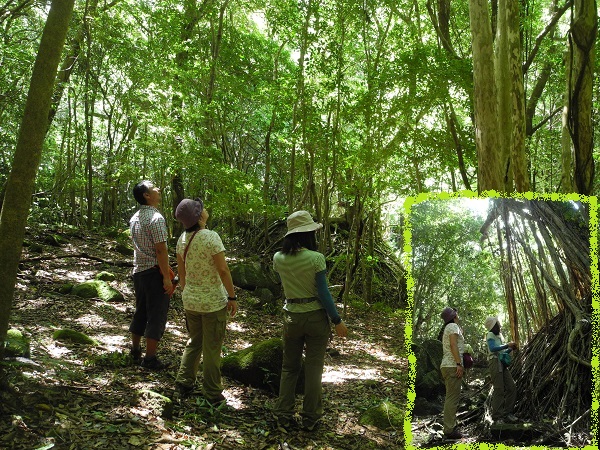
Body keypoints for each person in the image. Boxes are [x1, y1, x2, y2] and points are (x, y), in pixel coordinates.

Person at [272, 210, 348, 432]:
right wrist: (337, 320)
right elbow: (324, 294)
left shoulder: (278, 258)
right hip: (315, 317)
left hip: (291, 316)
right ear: (308, 234)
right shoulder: (316, 258)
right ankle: (310, 417)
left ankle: (283, 414)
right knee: (314, 368)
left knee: (289, 368)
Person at [174, 198, 237, 405]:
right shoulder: (211, 237)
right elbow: (223, 270)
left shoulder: (182, 239)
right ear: (199, 216)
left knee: (194, 342)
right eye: (202, 209)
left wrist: (188, 294)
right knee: (211, 348)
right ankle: (212, 392)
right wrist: (232, 296)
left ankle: (184, 382)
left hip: (191, 301)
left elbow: (181, 274)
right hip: (212, 303)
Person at [129, 180, 176, 369]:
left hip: (139, 271)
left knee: (141, 310)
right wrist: (166, 276)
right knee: (156, 314)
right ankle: (149, 359)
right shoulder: (156, 219)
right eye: (153, 187)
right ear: (147, 195)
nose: (158, 189)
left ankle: (134, 350)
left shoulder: (134, 218)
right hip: (153, 272)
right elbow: (161, 251)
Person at [484, 316, 518, 423]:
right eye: (497, 323)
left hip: (501, 363)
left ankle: (508, 413)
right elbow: (493, 348)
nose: (499, 325)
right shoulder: (490, 334)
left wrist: (510, 348)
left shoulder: (500, 336)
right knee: (499, 389)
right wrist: (507, 345)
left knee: (511, 387)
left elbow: (501, 353)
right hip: (494, 363)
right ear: (492, 325)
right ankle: (497, 417)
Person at [439, 306, 465, 439]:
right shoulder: (453, 327)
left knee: (450, 397)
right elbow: (454, 345)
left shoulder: (447, 328)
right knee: (452, 398)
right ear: (454, 316)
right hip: (452, 365)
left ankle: (450, 426)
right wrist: (459, 364)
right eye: (457, 314)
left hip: (446, 365)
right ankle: (449, 430)